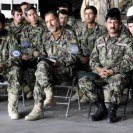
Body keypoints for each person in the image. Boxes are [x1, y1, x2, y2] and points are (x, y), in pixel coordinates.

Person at [78, 8, 133, 123]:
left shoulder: (127, 40)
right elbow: (93, 59)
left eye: (115, 22)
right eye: (109, 22)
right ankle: (101, 108)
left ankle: (112, 111)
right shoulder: (100, 40)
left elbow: (129, 61)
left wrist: (112, 71)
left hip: (119, 75)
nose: (112, 25)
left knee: (117, 81)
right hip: (101, 75)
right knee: (83, 81)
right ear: (106, 23)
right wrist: (99, 69)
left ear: (120, 24)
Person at [24, 11, 81, 121]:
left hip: (65, 70)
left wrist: (60, 62)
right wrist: (42, 57)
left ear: (58, 20)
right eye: (47, 22)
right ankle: (48, 93)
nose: (50, 24)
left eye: (52, 20)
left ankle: (39, 108)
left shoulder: (70, 34)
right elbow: (41, 53)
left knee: (40, 74)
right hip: (48, 70)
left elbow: (76, 55)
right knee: (41, 67)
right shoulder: (46, 36)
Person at [71, 5, 107, 103]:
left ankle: (87, 91)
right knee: (72, 64)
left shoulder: (103, 30)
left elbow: (105, 49)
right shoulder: (79, 31)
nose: (88, 16)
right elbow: (74, 47)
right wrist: (80, 57)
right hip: (82, 61)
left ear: (95, 15)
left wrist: (90, 58)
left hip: (97, 61)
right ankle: (80, 90)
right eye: (86, 14)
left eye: (90, 13)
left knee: (97, 69)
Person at [0, 13, 22, 120]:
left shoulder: (10, 36)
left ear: (3, 25)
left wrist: (2, 64)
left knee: (16, 71)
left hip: (6, 68)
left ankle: (12, 107)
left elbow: (16, 56)